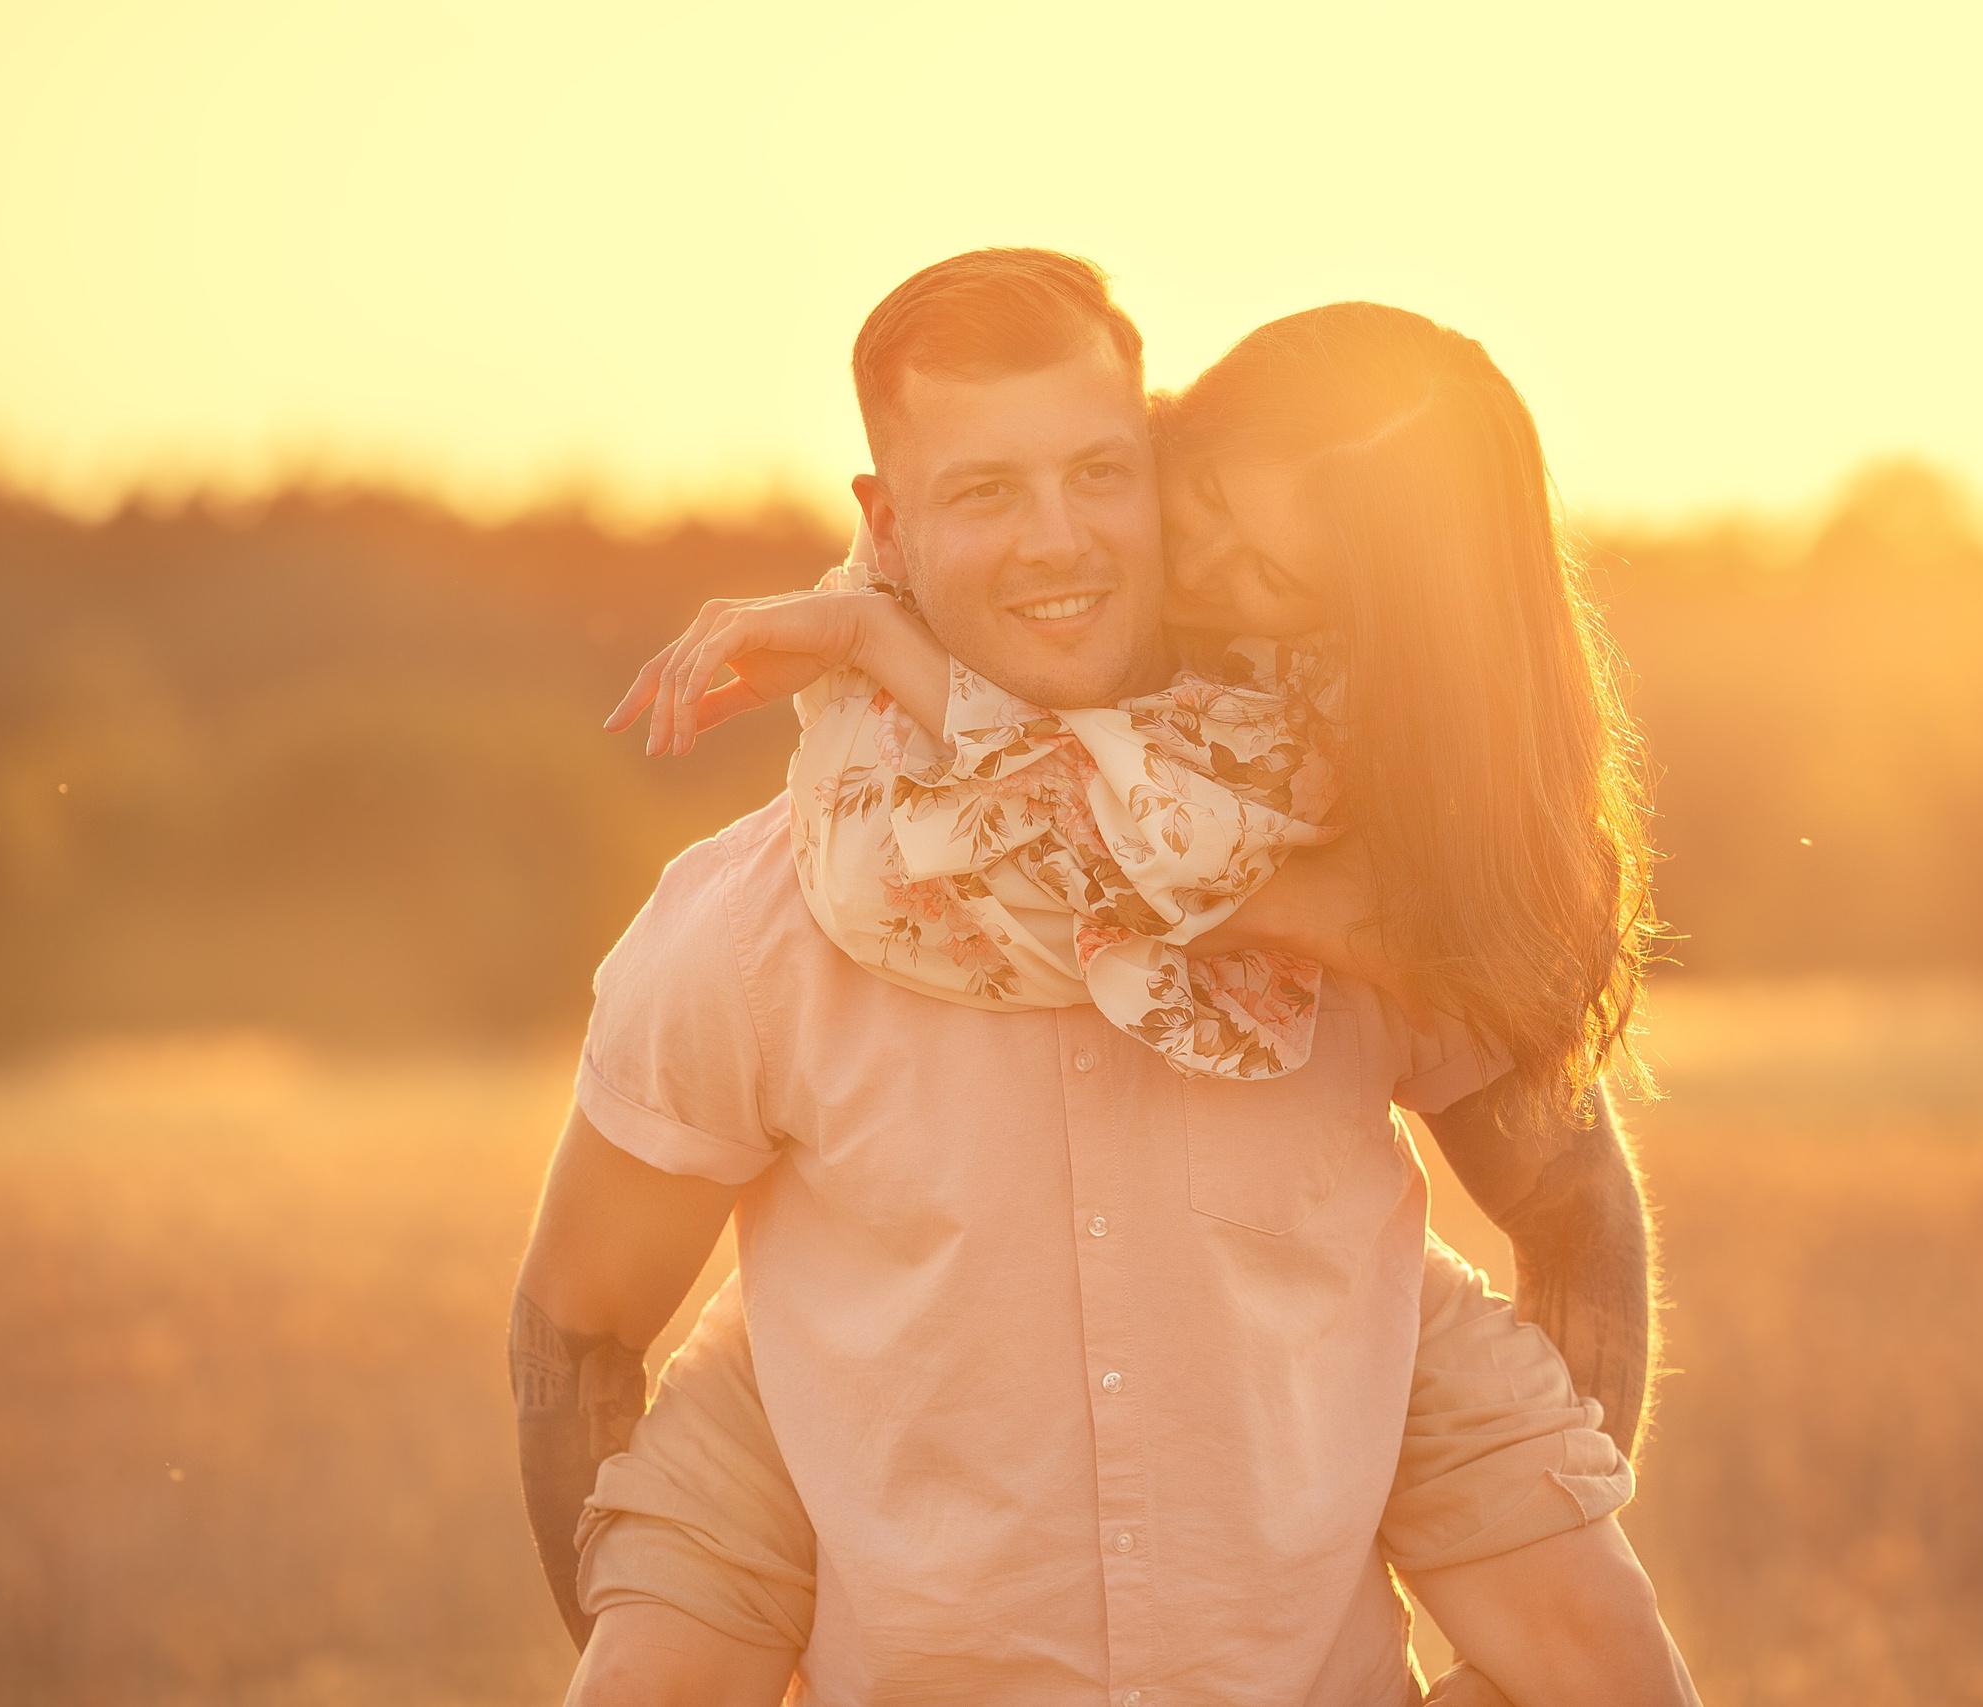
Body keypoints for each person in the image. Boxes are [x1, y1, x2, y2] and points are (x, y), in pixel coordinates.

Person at [515, 251, 1688, 1705]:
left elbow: (1573, 1203)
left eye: (1100, 474)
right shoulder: (755, 929)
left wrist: (1513, 1616)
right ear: (886, 517)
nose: (1061, 543)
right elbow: (577, 1329)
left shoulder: (1361, 863)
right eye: (986, 492)